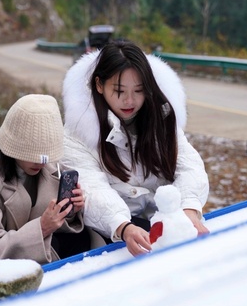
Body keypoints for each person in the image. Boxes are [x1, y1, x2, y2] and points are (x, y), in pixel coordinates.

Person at [61, 40, 210, 257]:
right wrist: (123, 226)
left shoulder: (161, 117)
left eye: (139, 91)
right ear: (99, 85)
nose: (130, 100)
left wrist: (188, 209)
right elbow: (92, 188)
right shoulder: (77, 132)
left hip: (166, 225)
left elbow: (190, 166)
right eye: (119, 91)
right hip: (113, 237)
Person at [0, 94, 99, 266]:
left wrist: (70, 210)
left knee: (81, 239)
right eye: (32, 155)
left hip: (34, 254)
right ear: (14, 147)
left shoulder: (50, 165)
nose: (41, 163)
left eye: (45, 155)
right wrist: (42, 228)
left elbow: (59, 227)